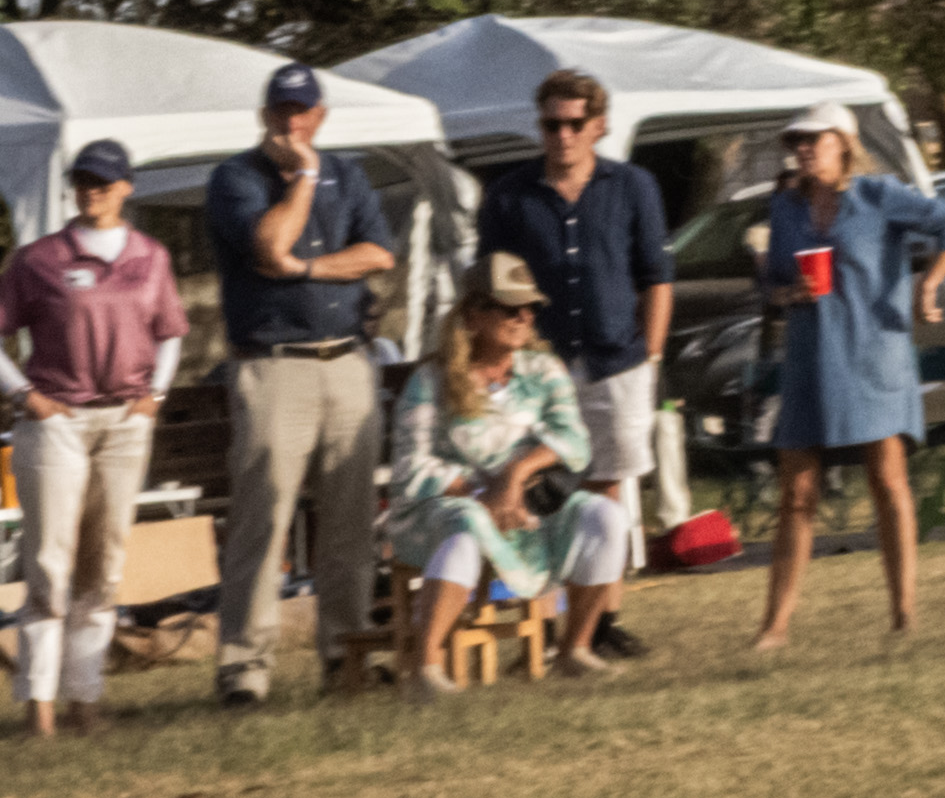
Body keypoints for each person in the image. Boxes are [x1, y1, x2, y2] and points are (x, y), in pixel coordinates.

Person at [739, 116, 945, 660]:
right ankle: (774, 626)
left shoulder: (879, 195)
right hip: (809, 359)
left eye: (812, 140)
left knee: (887, 481)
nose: (801, 150)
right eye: (794, 142)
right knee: (797, 495)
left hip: (874, 357)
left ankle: (903, 614)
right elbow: (769, 284)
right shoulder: (786, 207)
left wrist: (931, 281)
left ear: (842, 144)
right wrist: (784, 291)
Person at [202, 63, 397, 708]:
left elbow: (380, 253)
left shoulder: (353, 172)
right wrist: (304, 178)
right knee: (265, 515)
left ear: (320, 116)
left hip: (346, 361)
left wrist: (309, 267)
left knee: (349, 519)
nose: (291, 122)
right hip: (274, 362)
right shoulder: (236, 178)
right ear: (265, 116)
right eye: (281, 111)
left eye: (302, 111)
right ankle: (244, 670)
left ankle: (347, 651)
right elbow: (268, 245)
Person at [470, 67, 673, 664]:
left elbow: (657, 278)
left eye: (574, 123)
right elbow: (487, 285)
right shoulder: (510, 196)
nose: (562, 135)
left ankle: (601, 621)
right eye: (551, 124)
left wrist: (652, 355)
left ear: (599, 125)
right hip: (541, 365)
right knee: (543, 490)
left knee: (607, 488)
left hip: (617, 360)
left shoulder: (632, 186)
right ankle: (547, 625)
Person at [7, 143, 179, 739]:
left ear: (127, 186)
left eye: (104, 181)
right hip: (59, 419)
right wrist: (25, 395)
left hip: (123, 423)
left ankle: (87, 700)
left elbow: (169, 332)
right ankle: (41, 710)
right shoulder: (39, 259)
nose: (92, 190)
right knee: (50, 564)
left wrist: (155, 394)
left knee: (103, 567)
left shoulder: (151, 257)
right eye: (83, 181)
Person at [388, 295, 629, 696]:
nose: (524, 317)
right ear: (474, 316)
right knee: (465, 522)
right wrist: (481, 493)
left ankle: (576, 649)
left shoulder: (543, 369)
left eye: (530, 308)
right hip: (440, 507)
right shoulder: (432, 379)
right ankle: (425, 668)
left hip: (526, 507)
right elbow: (410, 466)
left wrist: (515, 475)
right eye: (510, 308)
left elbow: (575, 441)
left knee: (605, 516)